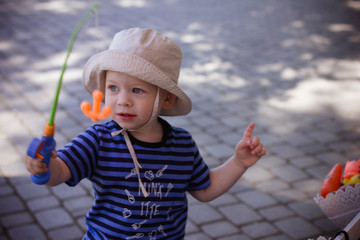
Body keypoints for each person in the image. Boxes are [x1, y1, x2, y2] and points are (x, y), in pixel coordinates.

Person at [25, 28, 266, 240]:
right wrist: (45, 167)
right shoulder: (99, 139)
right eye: (113, 88)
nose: (123, 101)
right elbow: (62, 170)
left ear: (167, 99)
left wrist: (238, 162)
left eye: (137, 90)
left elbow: (205, 189)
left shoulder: (182, 144)